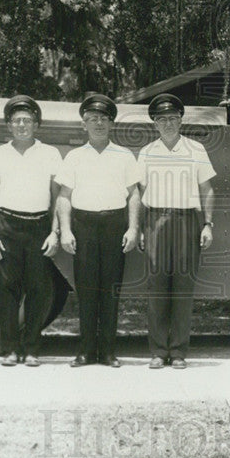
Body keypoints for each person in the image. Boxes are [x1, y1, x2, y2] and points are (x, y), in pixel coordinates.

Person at [57, 93, 140, 368]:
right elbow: (64, 196)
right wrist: (66, 230)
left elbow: (134, 195)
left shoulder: (125, 155)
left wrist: (133, 228)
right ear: (84, 125)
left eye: (104, 118)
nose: (99, 123)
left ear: (111, 123)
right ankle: (85, 351)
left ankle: (107, 352)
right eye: (93, 119)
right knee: (87, 290)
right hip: (84, 226)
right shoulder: (74, 157)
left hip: (114, 225)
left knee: (110, 291)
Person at [136, 93, 216, 369]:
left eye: (172, 118)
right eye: (162, 119)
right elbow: (141, 192)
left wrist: (207, 224)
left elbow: (207, 189)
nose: (168, 123)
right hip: (156, 221)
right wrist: (142, 228)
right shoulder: (147, 152)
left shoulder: (195, 150)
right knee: (157, 289)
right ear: (155, 124)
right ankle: (158, 351)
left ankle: (179, 352)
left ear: (180, 119)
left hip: (186, 222)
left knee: (182, 289)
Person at [0, 95, 62, 368]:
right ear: (8, 125)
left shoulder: (51, 154)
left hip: (39, 225)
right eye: (16, 120)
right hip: (7, 225)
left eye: (27, 120)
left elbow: (57, 197)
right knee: (7, 289)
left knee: (38, 289)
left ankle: (31, 349)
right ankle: (10, 350)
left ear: (36, 124)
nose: (22, 125)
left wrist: (55, 232)